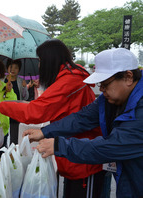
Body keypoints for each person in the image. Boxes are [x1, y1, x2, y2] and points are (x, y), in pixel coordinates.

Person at [0, 39, 105, 197]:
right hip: (74, 154)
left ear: (50, 60)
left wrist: (1, 106)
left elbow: (35, 112)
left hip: (83, 161)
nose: (39, 65)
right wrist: (44, 131)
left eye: (41, 61)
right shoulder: (69, 77)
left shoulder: (68, 81)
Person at [23, 48, 143, 197]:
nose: (102, 90)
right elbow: (81, 118)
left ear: (128, 77)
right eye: (100, 85)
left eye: (105, 84)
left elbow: (113, 146)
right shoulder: (109, 99)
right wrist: (44, 132)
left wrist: (59, 145)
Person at [5, 59, 29, 144]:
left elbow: (25, 97)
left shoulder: (20, 81)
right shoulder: (2, 80)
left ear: (19, 70)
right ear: (7, 68)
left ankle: (12, 154)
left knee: (14, 137)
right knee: (4, 136)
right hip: (4, 111)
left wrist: (24, 87)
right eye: (11, 67)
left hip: (16, 112)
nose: (13, 70)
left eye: (16, 68)